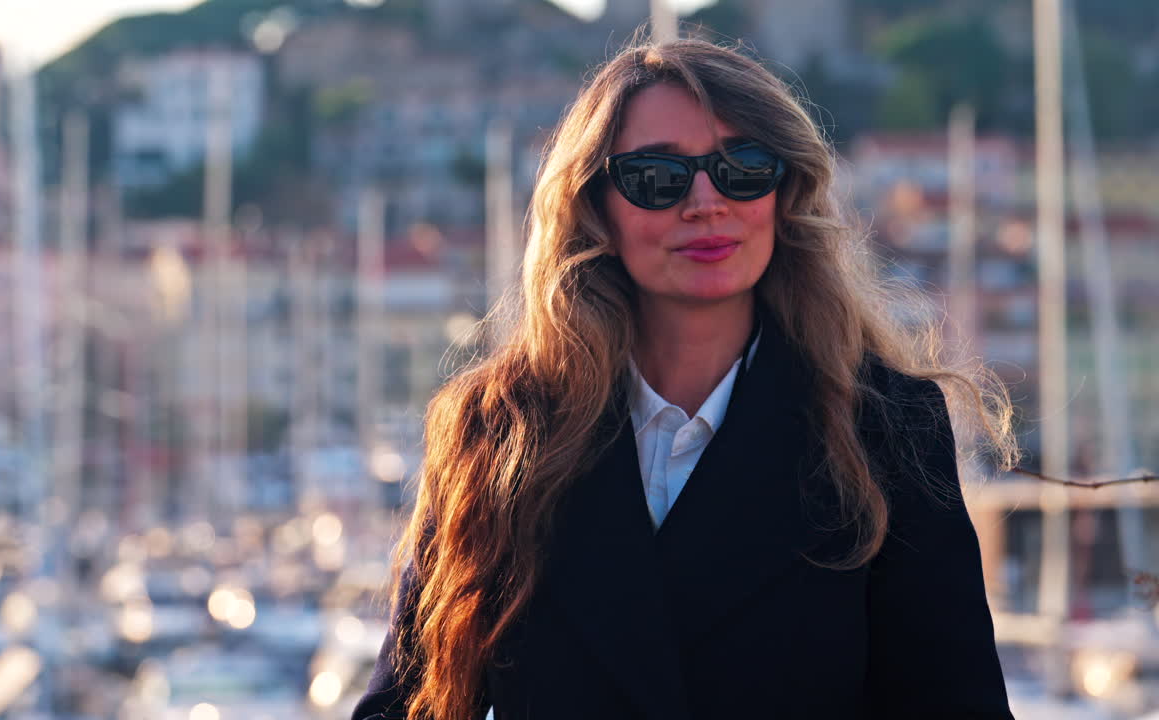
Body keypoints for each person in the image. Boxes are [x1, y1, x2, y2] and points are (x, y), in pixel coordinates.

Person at [353, 35, 1020, 720]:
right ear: (595, 209)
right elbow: (409, 705)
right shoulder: (499, 432)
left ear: (783, 194)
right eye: (656, 178)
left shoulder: (886, 430)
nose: (706, 202)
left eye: (745, 167)